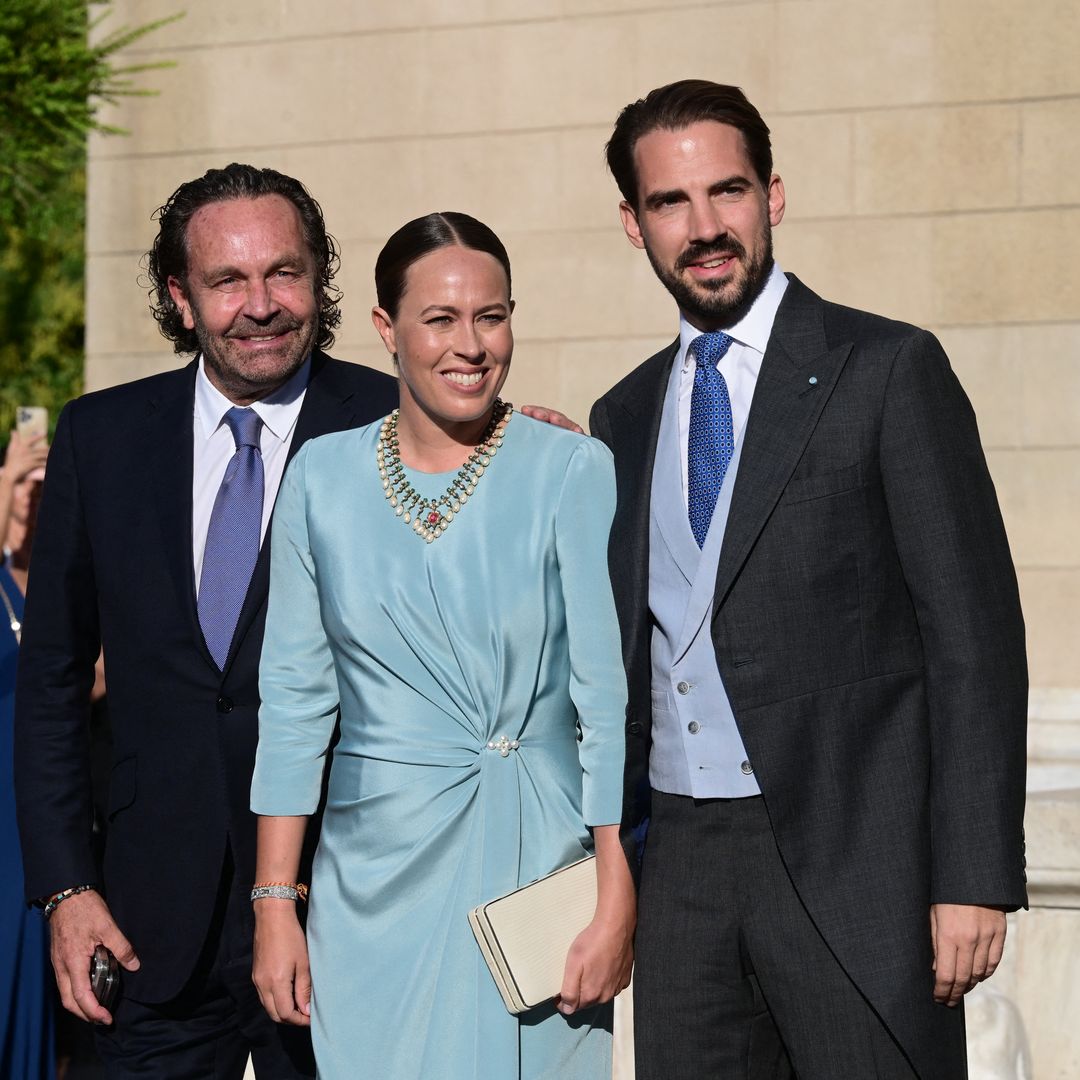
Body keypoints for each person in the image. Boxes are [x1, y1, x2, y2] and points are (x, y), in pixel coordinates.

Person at [589, 80, 1028, 1080]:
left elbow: (974, 639)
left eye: (728, 192)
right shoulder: (622, 417)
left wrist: (972, 877)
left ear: (773, 196)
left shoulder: (886, 370)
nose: (705, 228)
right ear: (633, 224)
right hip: (685, 874)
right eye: (670, 203)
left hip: (855, 864)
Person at [13, 163, 399, 1078]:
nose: (260, 304)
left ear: (319, 280)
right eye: (228, 280)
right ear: (181, 298)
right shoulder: (99, 439)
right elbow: (52, 688)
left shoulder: (393, 424)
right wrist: (66, 887)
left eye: (285, 273)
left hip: (345, 907)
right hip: (148, 926)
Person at [249, 212, 635, 1079]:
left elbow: (606, 706)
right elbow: (296, 705)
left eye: (492, 316)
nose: (472, 344)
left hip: (536, 875)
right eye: (442, 318)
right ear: (387, 330)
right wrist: (276, 902)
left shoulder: (571, 468)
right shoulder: (320, 478)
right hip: (368, 885)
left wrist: (615, 897)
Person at [0, 430, 54, 1079]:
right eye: (21, 485)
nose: (31, 498)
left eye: (43, 487)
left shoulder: (65, 578)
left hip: (32, 803)